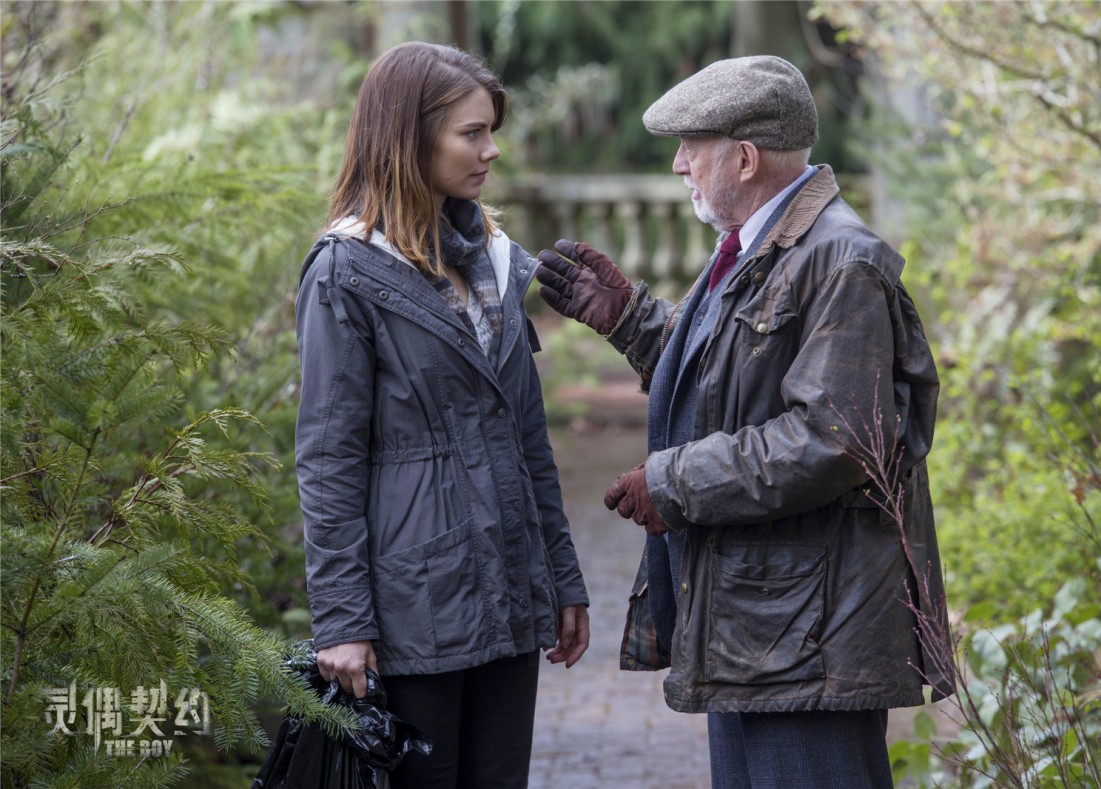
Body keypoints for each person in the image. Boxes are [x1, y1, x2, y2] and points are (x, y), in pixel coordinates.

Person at [536, 55, 953, 788]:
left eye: (690, 148)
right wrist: (634, 322)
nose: (677, 166)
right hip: (764, 622)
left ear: (745, 156)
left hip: (810, 636)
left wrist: (671, 481)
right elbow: (743, 378)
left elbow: (832, 437)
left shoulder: (840, 261)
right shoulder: (763, 244)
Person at [294, 42, 590, 788]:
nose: (492, 151)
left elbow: (528, 436)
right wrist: (341, 619)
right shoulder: (345, 273)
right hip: (412, 609)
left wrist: (561, 577)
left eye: (491, 130)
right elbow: (328, 459)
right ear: (407, 135)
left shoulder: (492, 260)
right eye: (472, 133)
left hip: (508, 596)